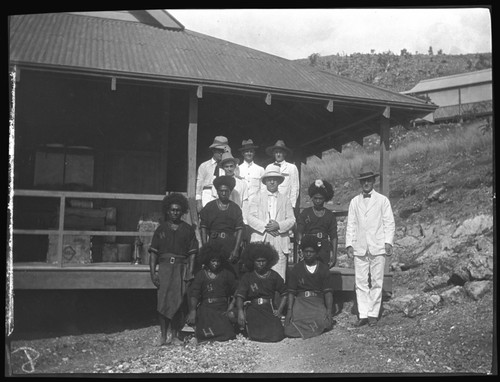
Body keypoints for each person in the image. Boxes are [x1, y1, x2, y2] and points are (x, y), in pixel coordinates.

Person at [345, 167, 395, 328]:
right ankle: (363, 313)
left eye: (369, 180)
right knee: (360, 282)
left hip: (377, 245)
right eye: (363, 181)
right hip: (360, 246)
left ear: (373, 181)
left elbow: (389, 222)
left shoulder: (382, 200)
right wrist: (349, 244)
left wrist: (388, 242)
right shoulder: (354, 201)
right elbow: (351, 224)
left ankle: (373, 313)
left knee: (376, 280)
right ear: (360, 183)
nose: (366, 183)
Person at [149, 193, 198, 346]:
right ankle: (163, 336)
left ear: (182, 211)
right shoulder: (161, 229)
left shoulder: (188, 230)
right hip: (164, 268)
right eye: (172, 210)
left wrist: (190, 270)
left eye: (178, 210)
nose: (175, 212)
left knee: (178, 301)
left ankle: (175, 335)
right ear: (167, 211)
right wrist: (153, 273)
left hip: (180, 267)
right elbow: (153, 254)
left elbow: (192, 254)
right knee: (162, 301)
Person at [247, 165, 296, 281]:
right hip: (262, 237)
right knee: (260, 274)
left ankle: (277, 299)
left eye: (275, 179)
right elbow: (250, 217)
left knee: (279, 274)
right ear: (265, 182)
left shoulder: (286, 199)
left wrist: (278, 226)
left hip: (279, 239)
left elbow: (292, 219)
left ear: (279, 181)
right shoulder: (256, 198)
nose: (272, 182)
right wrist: (267, 227)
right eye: (269, 179)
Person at [235, 242, 287, 342]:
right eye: (258, 261)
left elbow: (285, 294)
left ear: (269, 261)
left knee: (276, 336)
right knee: (256, 336)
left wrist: (279, 310)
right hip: (253, 309)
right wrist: (241, 311)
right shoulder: (247, 277)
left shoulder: (274, 275)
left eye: (264, 261)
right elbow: (240, 297)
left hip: (269, 309)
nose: (261, 264)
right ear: (252, 261)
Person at [284, 236, 335, 339]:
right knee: (288, 330)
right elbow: (291, 292)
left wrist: (329, 311)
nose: (308, 254)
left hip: (317, 301)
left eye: (311, 252)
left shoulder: (323, 268)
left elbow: (328, 292)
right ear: (302, 252)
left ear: (316, 253)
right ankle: (307, 329)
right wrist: (289, 311)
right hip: (301, 302)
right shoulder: (296, 268)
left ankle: (310, 328)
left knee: (326, 323)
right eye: (305, 251)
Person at [186, 242, 238, 343]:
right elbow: (194, 294)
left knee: (227, 334)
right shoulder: (201, 275)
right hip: (206, 308)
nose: (216, 264)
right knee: (204, 334)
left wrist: (231, 305)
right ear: (207, 260)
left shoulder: (226, 274)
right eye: (213, 261)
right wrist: (192, 311)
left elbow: (237, 290)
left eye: (218, 261)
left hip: (221, 308)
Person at [199, 175, 244, 277]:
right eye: (221, 191)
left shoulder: (235, 208)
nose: (223, 193)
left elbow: (240, 229)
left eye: (226, 191)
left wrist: (236, 250)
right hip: (214, 244)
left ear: (230, 192)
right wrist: (206, 248)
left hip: (229, 245)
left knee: (231, 274)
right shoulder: (209, 207)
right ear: (217, 191)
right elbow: (203, 228)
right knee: (214, 273)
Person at [296, 179, 338, 268]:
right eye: (315, 198)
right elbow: (299, 231)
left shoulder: (329, 215)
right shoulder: (305, 213)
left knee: (322, 275)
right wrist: (301, 248)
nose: (318, 201)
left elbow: (334, 236)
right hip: (308, 248)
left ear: (325, 199)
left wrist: (334, 256)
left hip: (323, 248)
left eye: (320, 198)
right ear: (312, 198)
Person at [195, 136, 230, 213]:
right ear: (214, 150)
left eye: (223, 151)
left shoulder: (227, 167)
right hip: (207, 194)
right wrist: (198, 201)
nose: (221, 153)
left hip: (222, 195)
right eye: (219, 150)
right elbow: (199, 185)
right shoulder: (204, 166)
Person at [212, 151, 249, 223]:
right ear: (223, 168)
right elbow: (215, 201)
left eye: (231, 166)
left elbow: (245, 204)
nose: (229, 169)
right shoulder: (217, 182)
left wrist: (244, 220)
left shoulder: (242, 183)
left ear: (235, 166)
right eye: (226, 166)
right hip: (221, 218)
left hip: (237, 218)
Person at [265, 140, 300, 209]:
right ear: (273, 154)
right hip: (271, 203)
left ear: (284, 153)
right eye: (276, 152)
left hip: (285, 204)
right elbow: (264, 186)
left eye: (280, 152)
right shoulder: (269, 167)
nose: (278, 154)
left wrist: (292, 205)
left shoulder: (291, 167)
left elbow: (295, 187)